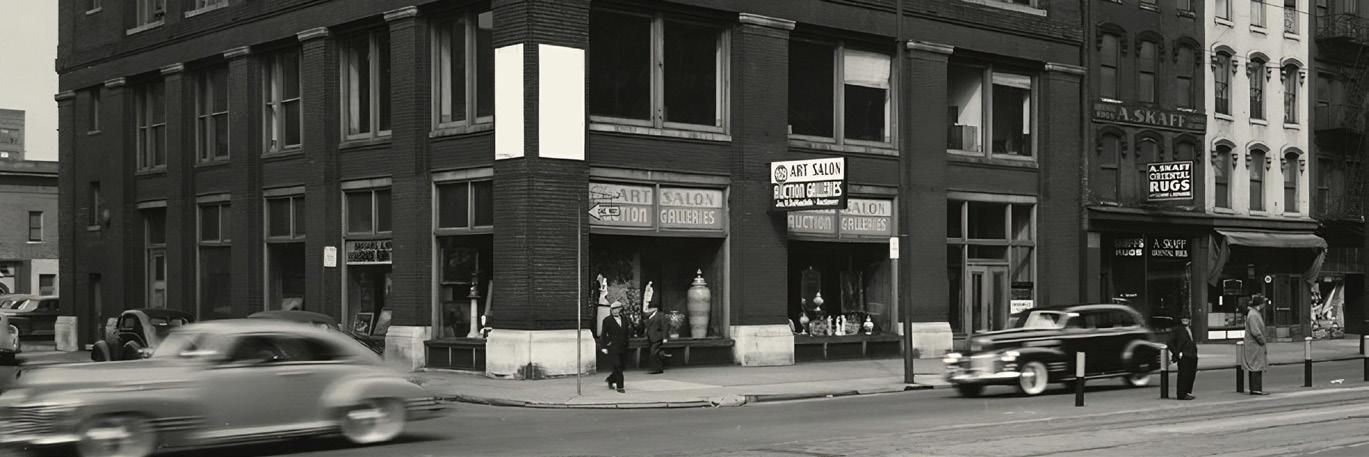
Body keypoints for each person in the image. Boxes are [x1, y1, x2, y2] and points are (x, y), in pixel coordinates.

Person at [599, 301, 630, 393]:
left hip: (623, 346)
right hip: (613, 346)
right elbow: (603, 334)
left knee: (622, 366)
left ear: (620, 309)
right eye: (613, 309)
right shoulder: (607, 320)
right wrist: (603, 346)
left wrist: (628, 341)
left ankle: (611, 379)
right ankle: (620, 387)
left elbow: (627, 331)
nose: (615, 311)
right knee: (617, 366)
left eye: (617, 309)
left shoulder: (624, 319)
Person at [1168, 312, 1199, 400]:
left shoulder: (1191, 329)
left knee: (1191, 375)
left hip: (1192, 355)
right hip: (1184, 355)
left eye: (1187, 318)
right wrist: (1177, 353)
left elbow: (1192, 342)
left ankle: (1188, 392)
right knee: (1183, 376)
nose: (1185, 320)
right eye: (1183, 318)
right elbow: (1169, 342)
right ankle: (1181, 394)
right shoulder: (1177, 329)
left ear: (1189, 320)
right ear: (1181, 320)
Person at [1244, 295, 1271, 395]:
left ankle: (1255, 389)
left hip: (1254, 345)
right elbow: (1255, 331)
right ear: (1260, 304)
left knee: (1255, 366)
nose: (1264, 305)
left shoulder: (1254, 313)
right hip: (1255, 346)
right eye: (1263, 303)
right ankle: (1256, 389)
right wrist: (1262, 341)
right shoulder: (1254, 315)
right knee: (1256, 366)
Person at [643, 303, 669, 374]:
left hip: (658, 337)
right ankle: (658, 368)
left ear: (655, 309)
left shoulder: (661, 315)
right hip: (651, 338)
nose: (648, 310)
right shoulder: (649, 316)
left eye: (650, 308)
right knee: (655, 353)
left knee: (653, 353)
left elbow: (664, 326)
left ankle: (655, 369)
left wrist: (665, 337)